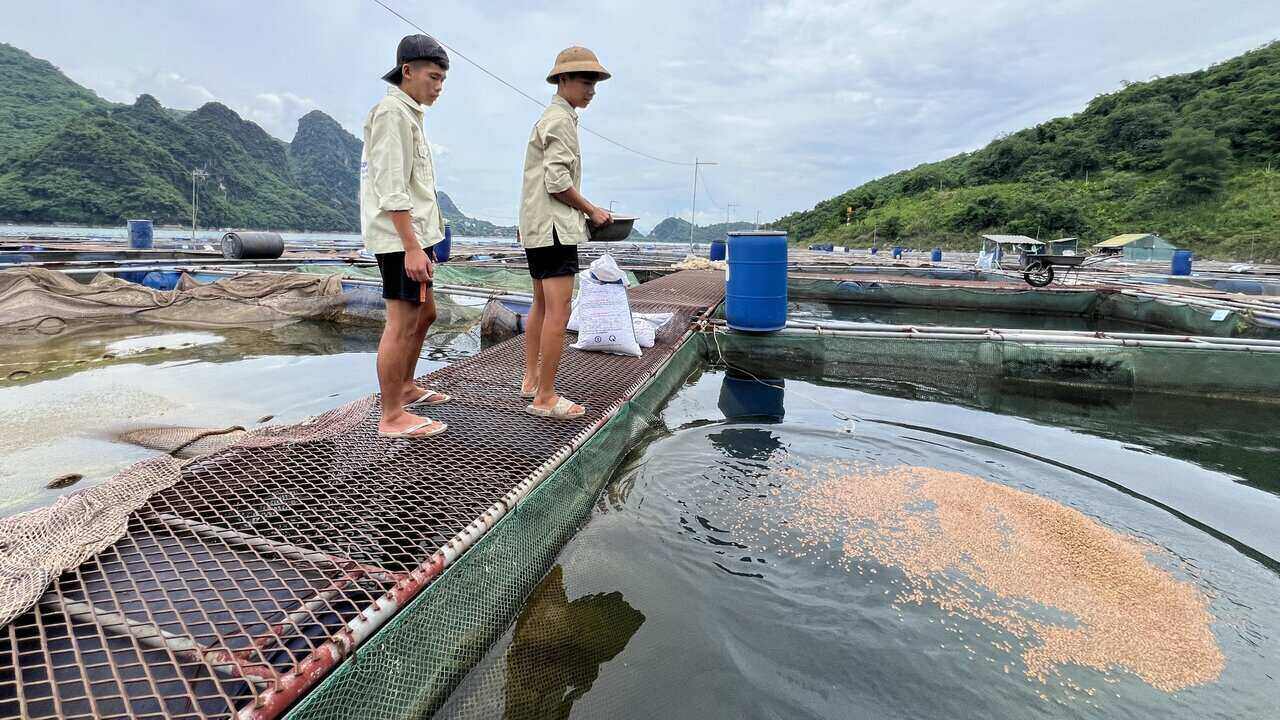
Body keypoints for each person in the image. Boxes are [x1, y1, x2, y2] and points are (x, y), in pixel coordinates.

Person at [360, 34, 452, 438]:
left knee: (425, 313)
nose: (438, 86)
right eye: (433, 76)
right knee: (401, 322)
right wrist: (413, 247)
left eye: (442, 79)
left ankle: (407, 387)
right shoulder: (392, 114)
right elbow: (392, 188)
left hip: (416, 236)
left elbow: (417, 187)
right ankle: (391, 415)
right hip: (401, 240)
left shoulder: (410, 115)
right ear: (408, 71)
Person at [518, 46, 613, 420]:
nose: (592, 90)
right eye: (586, 82)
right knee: (560, 310)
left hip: (538, 228)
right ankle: (545, 397)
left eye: (595, 83)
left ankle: (531, 380)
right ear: (563, 80)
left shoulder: (555, 119)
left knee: (541, 304)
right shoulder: (559, 121)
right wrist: (593, 210)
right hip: (555, 229)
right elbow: (557, 182)